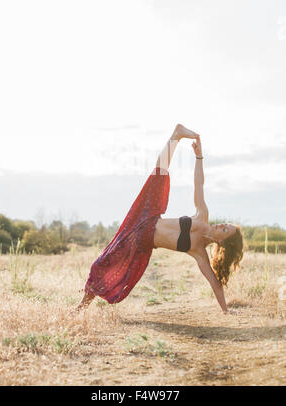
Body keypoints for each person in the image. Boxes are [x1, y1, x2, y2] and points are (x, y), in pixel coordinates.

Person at [74, 123, 243, 314]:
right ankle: (176, 135)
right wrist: (199, 156)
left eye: (225, 230)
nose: (221, 225)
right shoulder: (202, 216)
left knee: (105, 265)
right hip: (147, 219)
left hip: (141, 245)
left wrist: (226, 311)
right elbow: (199, 183)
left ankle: (82, 302)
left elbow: (214, 283)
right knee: (159, 174)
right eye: (225, 224)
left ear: (222, 242)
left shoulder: (198, 252)